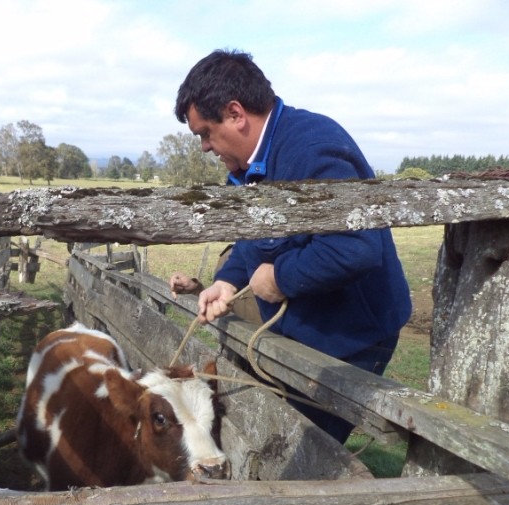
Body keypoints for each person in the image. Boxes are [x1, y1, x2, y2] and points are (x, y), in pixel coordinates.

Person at [168, 49, 412, 444]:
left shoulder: (313, 147)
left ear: (235, 114)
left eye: (205, 133)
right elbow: (259, 238)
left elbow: (356, 248)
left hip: (348, 339)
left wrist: (281, 278)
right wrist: (228, 281)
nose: (205, 148)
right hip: (303, 331)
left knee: (301, 448)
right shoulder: (255, 165)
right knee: (269, 435)